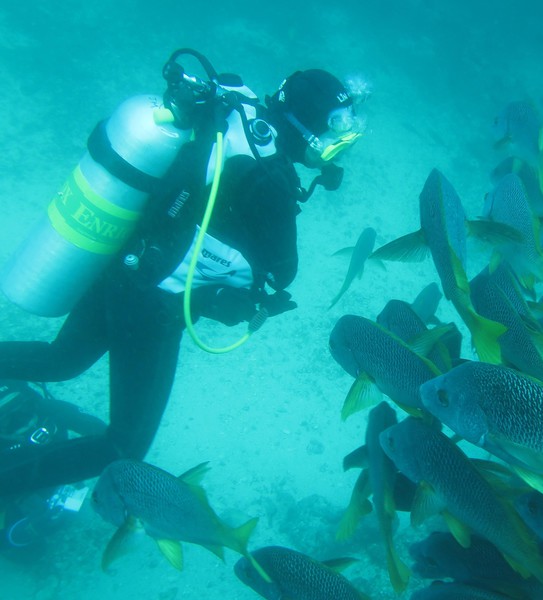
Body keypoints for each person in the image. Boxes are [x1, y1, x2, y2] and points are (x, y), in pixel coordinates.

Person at [0, 50, 366, 497]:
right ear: (307, 124)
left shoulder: (234, 109)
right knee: (122, 447)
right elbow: (282, 272)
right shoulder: (270, 179)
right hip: (152, 306)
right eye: (336, 129)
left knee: (61, 360)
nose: (339, 141)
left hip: (121, 264)